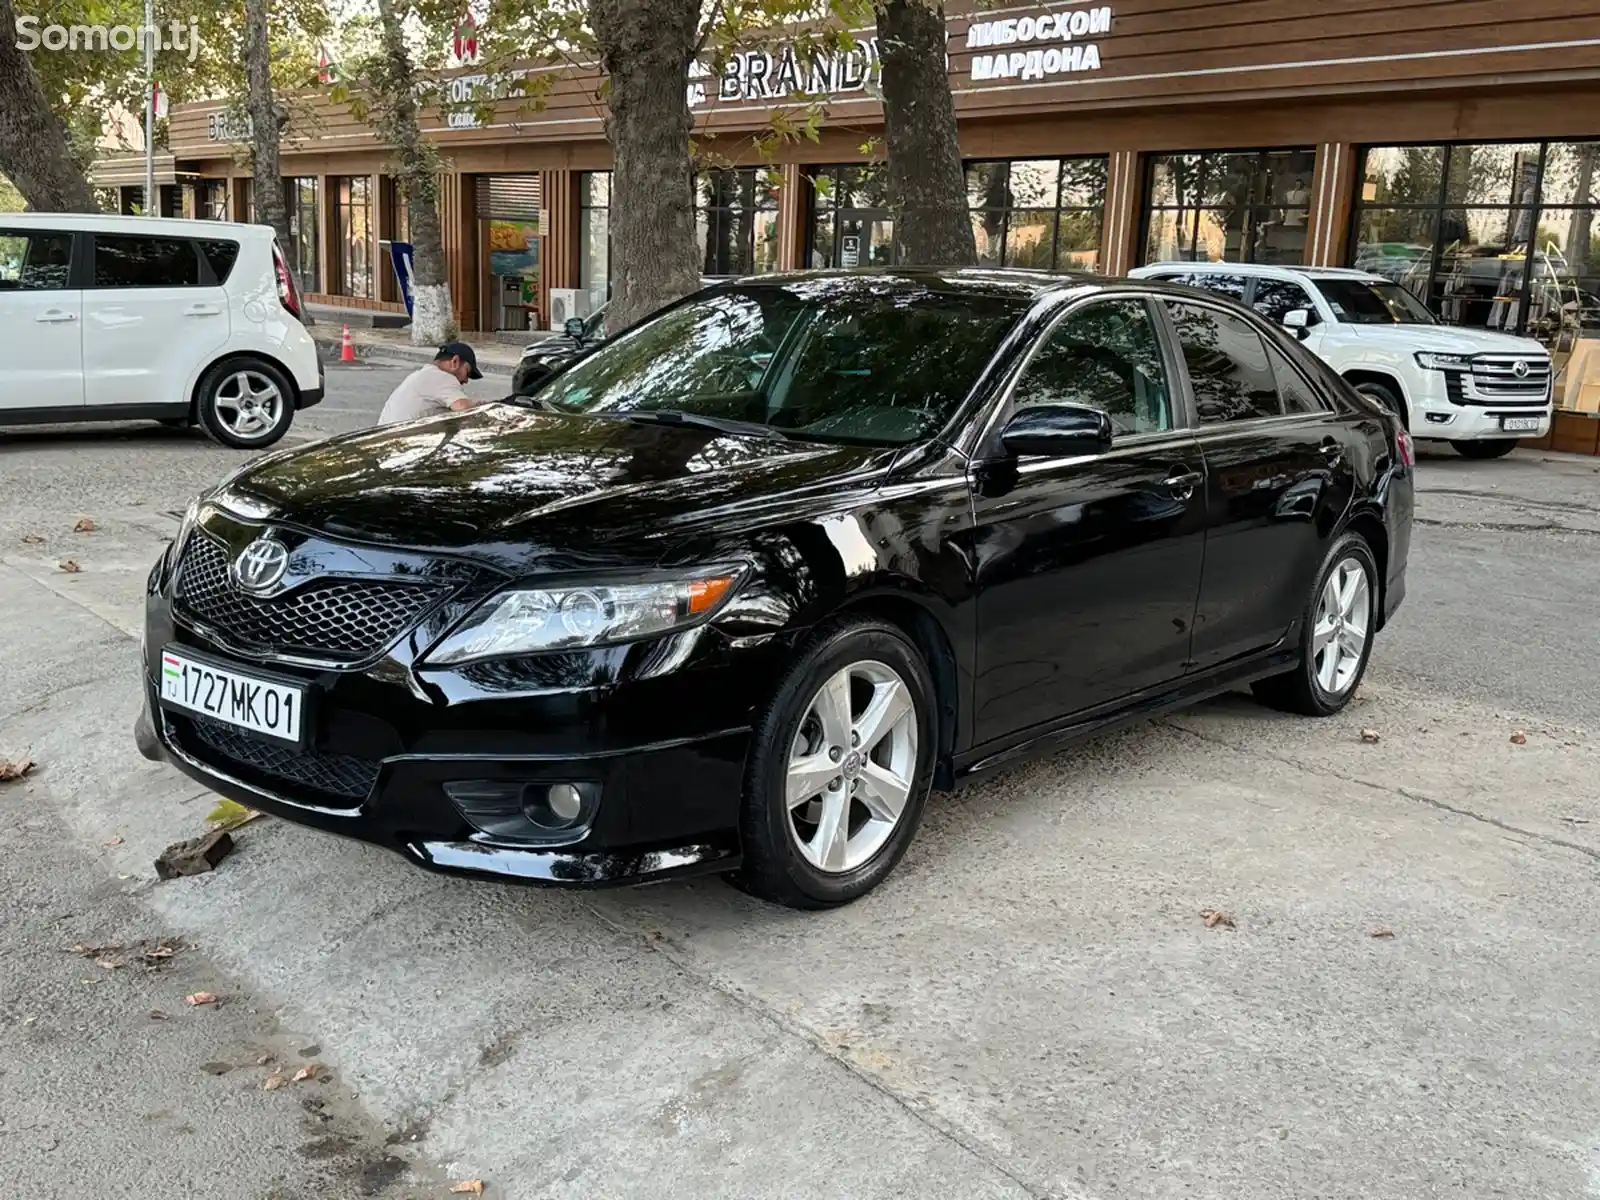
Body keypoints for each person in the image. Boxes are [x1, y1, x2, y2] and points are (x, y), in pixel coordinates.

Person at [378, 342, 486, 425]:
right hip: (401, 444)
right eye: (467, 372)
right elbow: (465, 411)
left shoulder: (424, 375)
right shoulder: (441, 377)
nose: (466, 380)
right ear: (455, 362)